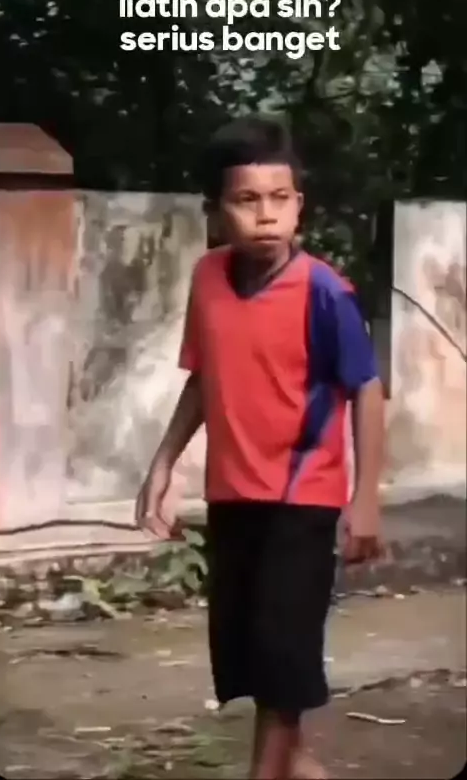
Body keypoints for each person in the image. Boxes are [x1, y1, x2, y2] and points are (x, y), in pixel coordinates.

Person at [135, 116, 385, 780]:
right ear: (218, 211)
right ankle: (295, 767)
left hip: (302, 499)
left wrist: (365, 499)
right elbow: (203, 376)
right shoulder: (207, 277)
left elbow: (366, 389)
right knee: (250, 656)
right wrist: (162, 463)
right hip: (232, 495)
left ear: (299, 204)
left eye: (280, 198)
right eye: (247, 200)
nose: (266, 215)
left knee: (282, 659)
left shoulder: (325, 291)